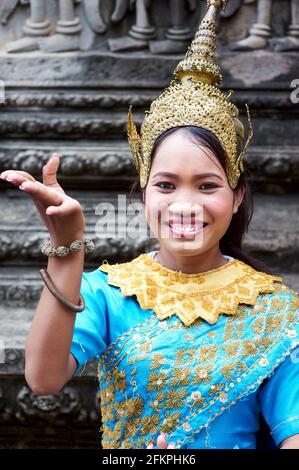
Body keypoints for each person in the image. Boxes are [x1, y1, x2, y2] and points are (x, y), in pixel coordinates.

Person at [1, 0, 299, 449]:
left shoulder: (276, 310)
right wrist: (67, 247)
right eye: (165, 185)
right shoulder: (110, 292)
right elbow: (43, 378)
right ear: (143, 195)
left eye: (206, 186)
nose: (184, 204)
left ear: (236, 197)